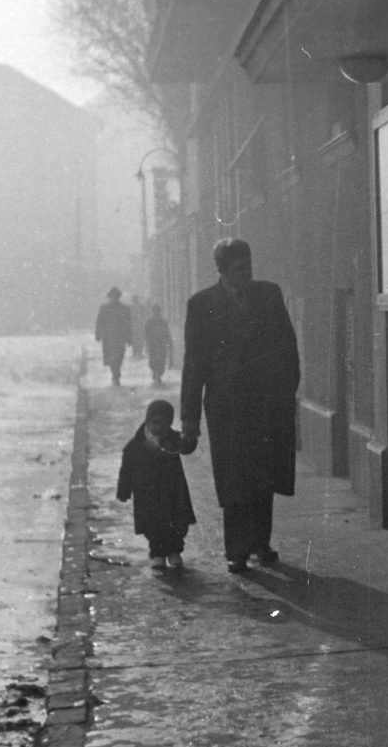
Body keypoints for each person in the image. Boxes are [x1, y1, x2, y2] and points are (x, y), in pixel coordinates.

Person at [180, 238, 300, 573]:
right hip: (227, 409)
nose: (246, 272)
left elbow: (288, 348)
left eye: (248, 265)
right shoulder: (201, 304)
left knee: (263, 476)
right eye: (238, 268)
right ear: (222, 270)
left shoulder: (269, 295)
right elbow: (195, 365)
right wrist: (190, 419)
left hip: (266, 405)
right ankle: (237, 550)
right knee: (234, 479)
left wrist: (287, 393)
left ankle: (261, 543)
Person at [116, 399, 196, 572]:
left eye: (165, 424)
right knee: (152, 524)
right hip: (147, 493)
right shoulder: (135, 444)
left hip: (172, 491)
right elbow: (127, 469)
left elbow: (187, 446)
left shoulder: (174, 439)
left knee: (176, 521)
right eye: (155, 423)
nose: (159, 427)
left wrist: (190, 433)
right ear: (148, 421)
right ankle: (157, 553)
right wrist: (124, 490)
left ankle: (175, 550)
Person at [94, 287, 133, 386]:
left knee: (119, 356)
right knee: (111, 357)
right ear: (110, 297)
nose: (114, 298)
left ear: (118, 297)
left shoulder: (125, 309)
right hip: (108, 337)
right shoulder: (104, 308)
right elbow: (100, 322)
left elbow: (128, 324)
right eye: (113, 296)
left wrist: (129, 337)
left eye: (116, 296)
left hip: (120, 337)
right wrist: (98, 334)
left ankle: (116, 371)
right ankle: (115, 374)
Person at [144, 304, 173, 385]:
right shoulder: (149, 321)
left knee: (162, 359)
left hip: (161, 343)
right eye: (155, 311)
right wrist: (147, 342)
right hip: (152, 343)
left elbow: (167, 332)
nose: (156, 313)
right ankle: (155, 371)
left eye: (157, 311)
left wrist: (169, 342)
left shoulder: (163, 321)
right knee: (153, 359)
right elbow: (146, 333)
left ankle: (159, 374)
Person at [129, 293, 147, 359]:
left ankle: (136, 352)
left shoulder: (133, 307)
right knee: (138, 339)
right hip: (138, 325)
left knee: (136, 339)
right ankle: (138, 352)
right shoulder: (139, 306)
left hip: (136, 325)